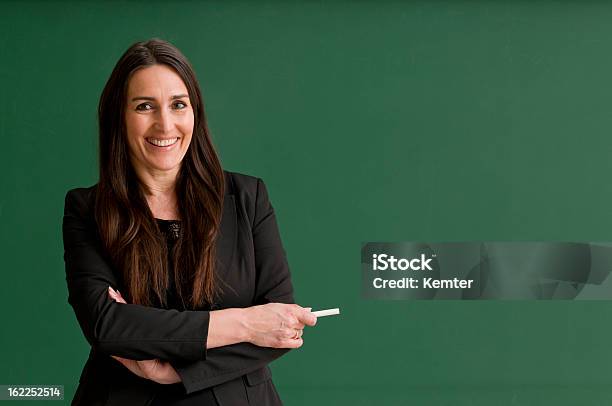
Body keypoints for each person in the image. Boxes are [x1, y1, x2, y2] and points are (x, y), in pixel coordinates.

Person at [62, 38, 317, 406]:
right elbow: (108, 325)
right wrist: (245, 323)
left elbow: (281, 324)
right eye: (145, 106)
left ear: (194, 112)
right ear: (119, 116)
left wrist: (174, 369)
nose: (165, 123)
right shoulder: (86, 208)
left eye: (178, 105)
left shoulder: (248, 197)